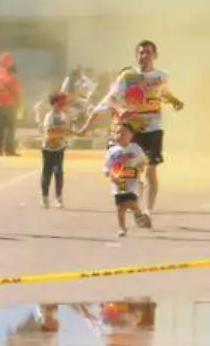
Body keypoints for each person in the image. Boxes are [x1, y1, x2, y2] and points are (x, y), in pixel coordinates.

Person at [89, 40, 184, 212]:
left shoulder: (161, 75)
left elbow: (163, 92)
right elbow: (112, 98)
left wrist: (174, 100)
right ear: (136, 56)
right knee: (130, 167)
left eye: (147, 52)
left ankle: (148, 211)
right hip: (131, 129)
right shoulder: (127, 77)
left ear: (154, 56)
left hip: (154, 129)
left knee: (151, 169)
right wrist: (118, 110)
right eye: (140, 53)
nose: (144, 56)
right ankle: (133, 198)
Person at [103, 117, 154, 237]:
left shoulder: (135, 148)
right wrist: (106, 171)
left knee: (131, 201)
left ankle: (138, 213)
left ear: (131, 135)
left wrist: (141, 166)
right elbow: (107, 164)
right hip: (118, 181)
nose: (121, 135)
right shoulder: (112, 150)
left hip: (132, 181)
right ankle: (122, 228)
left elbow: (143, 161)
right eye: (118, 132)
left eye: (124, 133)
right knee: (120, 206)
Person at [40, 90, 78, 209]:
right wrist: (64, 130)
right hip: (49, 150)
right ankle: (45, 198)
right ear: (56, 103)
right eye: (62, 101)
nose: (65, 103)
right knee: (47, 173)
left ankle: (58, 198)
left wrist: (69, 129)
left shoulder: (63, 114)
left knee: (58, 172)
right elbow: (50, 132)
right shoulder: (50, 117)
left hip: (59, 149)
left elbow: (66, 129)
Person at [0, 51, 21, 156]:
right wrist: (18, 104)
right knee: (10, 128)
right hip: (9, 105)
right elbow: (16, 92)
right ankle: (8, 150)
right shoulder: (11, 75)